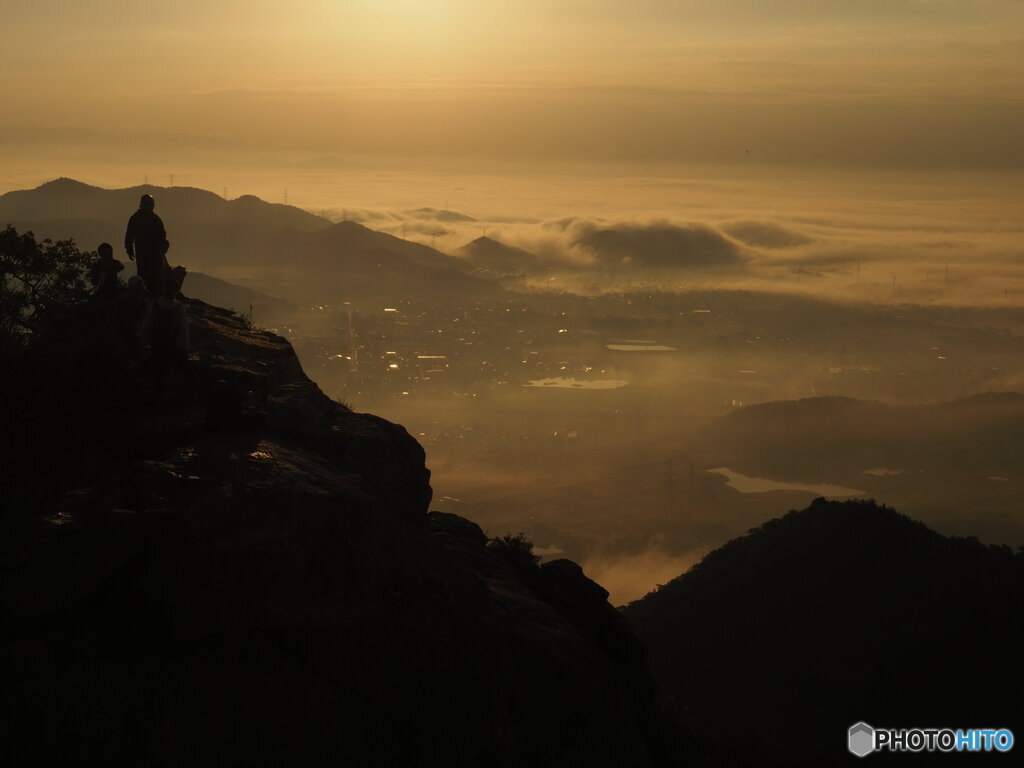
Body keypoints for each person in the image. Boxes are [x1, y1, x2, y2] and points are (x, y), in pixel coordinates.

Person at [124, 194, 168, 299]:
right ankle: (152, 297)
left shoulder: (135, 218)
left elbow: (129, 235)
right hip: (152, 253)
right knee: (153, 275)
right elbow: (162, 236)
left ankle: (146, 295)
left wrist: (129, 249)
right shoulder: (155, 219)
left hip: (144, 252)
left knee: (144, 273)